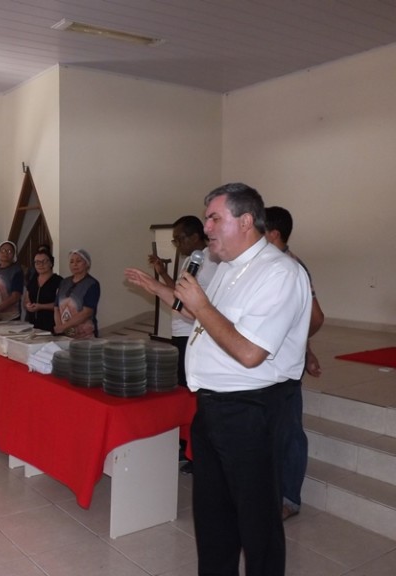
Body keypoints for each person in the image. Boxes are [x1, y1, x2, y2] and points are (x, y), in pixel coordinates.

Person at [125, 183, 312, 576]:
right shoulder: (229, 268)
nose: (206, 227)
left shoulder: (280, 273)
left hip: (251, 408)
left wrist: (203, 304)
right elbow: (208, 320)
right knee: (213, 517)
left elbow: (249, 353)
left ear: (246, 221)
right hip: (212, 405)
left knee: (256, 523)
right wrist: (160, 288)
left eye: (214, 218)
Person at [265, 205, 325, 521]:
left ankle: (289, 498)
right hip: (269, 365)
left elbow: (314, 318)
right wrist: (306, 349)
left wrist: (296, 346)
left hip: (283, 367)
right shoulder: (267, 264)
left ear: (273, 234)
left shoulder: (291, 267)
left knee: (289, 430)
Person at [148, 216, 217, 388]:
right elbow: (179, 293)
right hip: (180, 331)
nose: (177, 244)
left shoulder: (211, 261)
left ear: (194, 237)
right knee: (180, 380)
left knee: (190, 383)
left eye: (179, 239)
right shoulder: (191, 259)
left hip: (194, 332)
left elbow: (211, 300)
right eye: (175, 240)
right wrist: (162, 273)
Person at [54, 249, 100, 338]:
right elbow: (56, 308)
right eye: (71, 262)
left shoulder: (92, 284)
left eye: (78, 261)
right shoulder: (64, 282)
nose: (74, 264)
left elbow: (87, 312)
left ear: (87, 264)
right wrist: (60, 327)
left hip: (84, 333)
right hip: (64, 333)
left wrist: (63, 327)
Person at [23, 247, 62, 332]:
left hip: (51, 325)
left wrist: (41, 307)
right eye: (37, 262)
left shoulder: (59, 281)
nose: (41, 265)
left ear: (51, 263)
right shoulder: (32, 280)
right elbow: (26, 300)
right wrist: (28, 305)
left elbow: (60, 305)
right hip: (33, 326)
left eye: (44, 261)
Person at [0, 240, 24, 320]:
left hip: (10, 317)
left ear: (14, 255)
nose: (6, 253)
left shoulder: (17, 271)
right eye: (3, 250)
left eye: (9, 251)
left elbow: (15, 296)